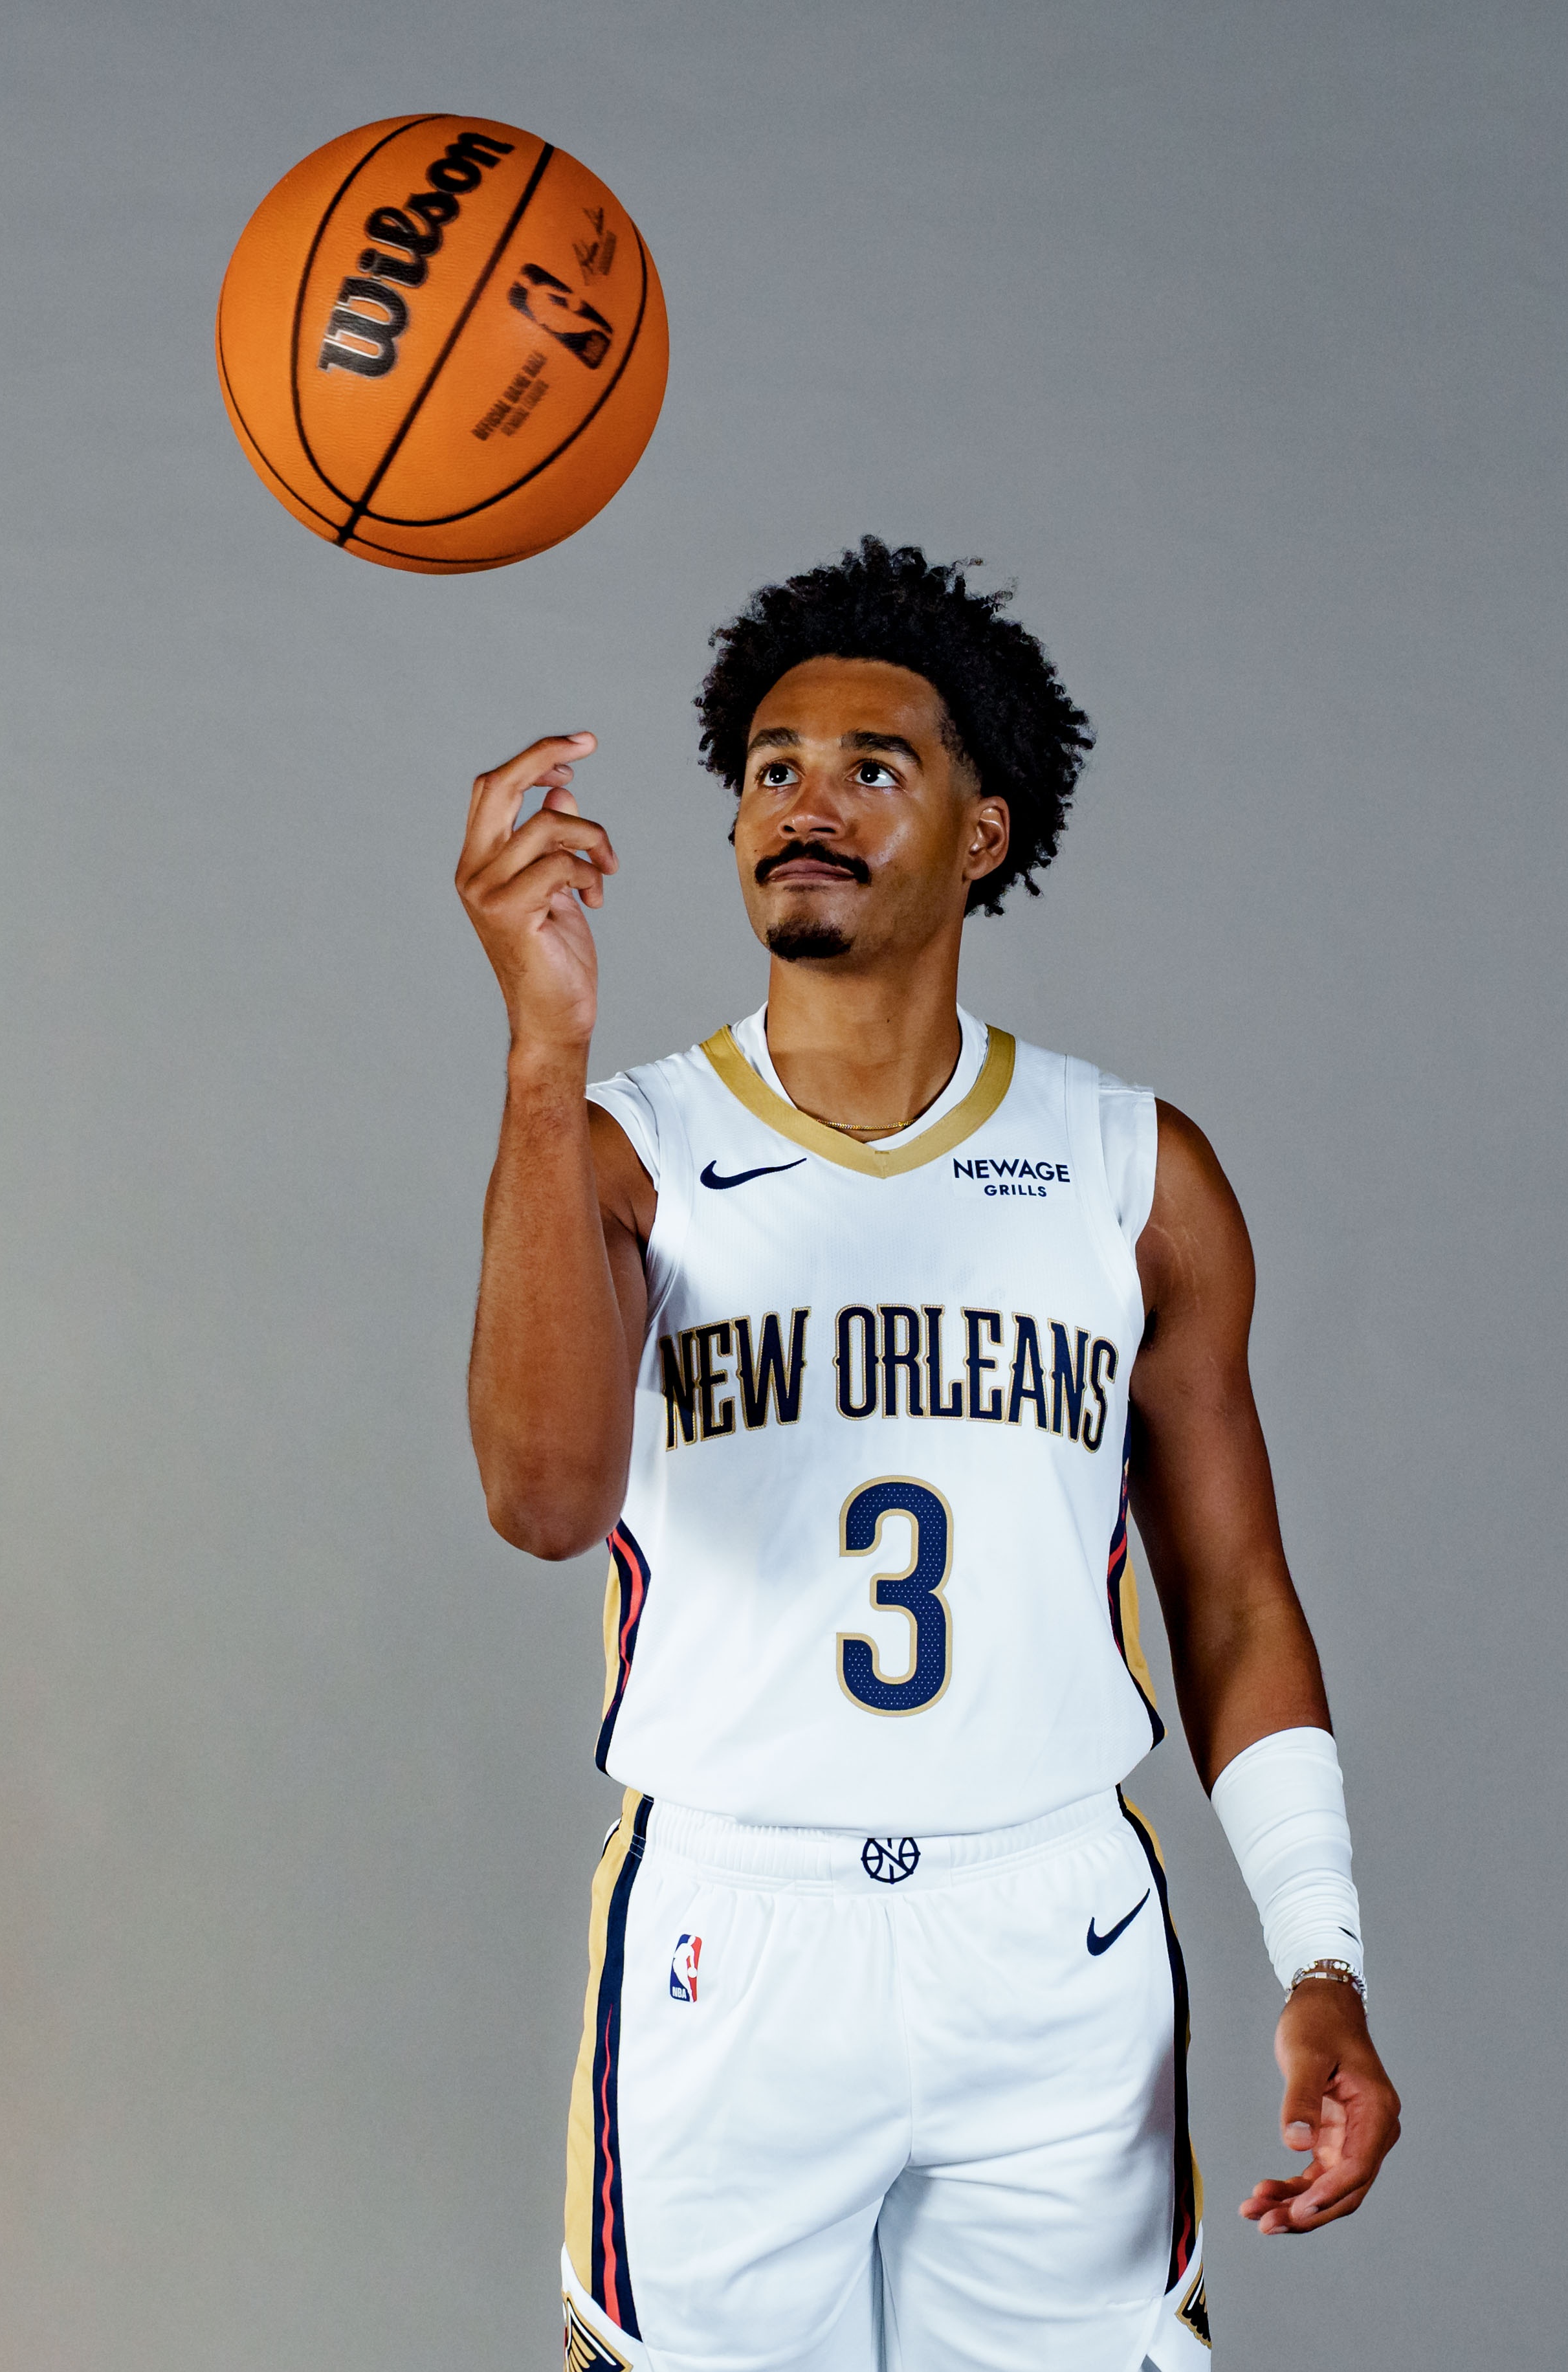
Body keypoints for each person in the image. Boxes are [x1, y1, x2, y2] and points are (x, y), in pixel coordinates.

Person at [455, 540, 1400, 2372]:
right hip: (734, 1931)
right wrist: (542, 1048)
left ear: (983, 832)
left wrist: (1322, 1956)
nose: (803, 805)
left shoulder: (1133, 1173)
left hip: (1048, 1938)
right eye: (771, 769)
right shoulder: (628, 1148)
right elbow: (543, 1502)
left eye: (870, 766)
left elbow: (1231, 1603)